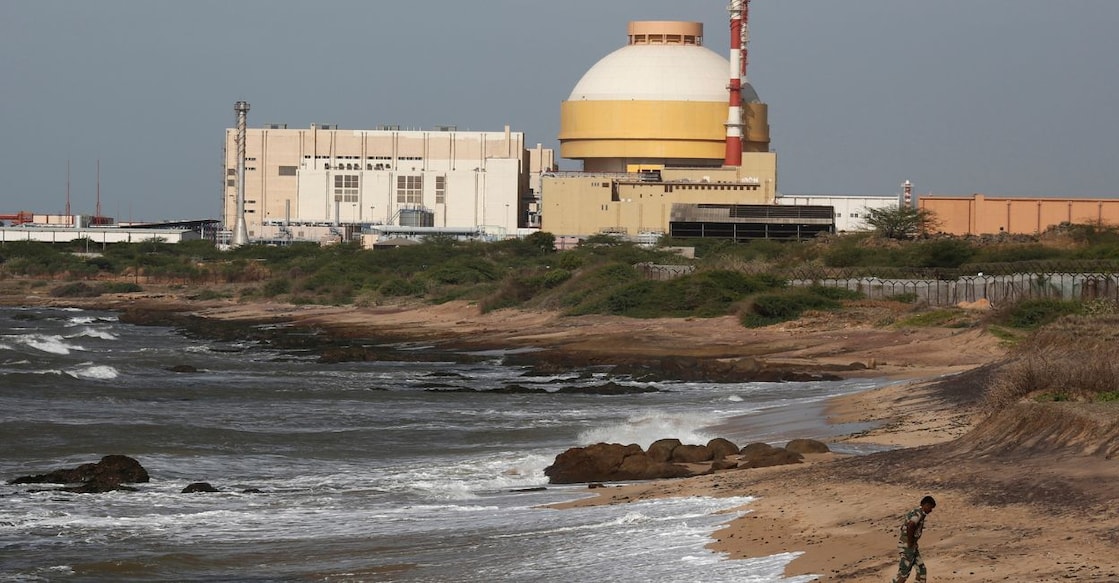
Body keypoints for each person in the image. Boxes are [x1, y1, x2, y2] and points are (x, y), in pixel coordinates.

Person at [891, 495, 936, 583]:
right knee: (903, 574)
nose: (931, 510)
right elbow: (911, 525)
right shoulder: (918, 513)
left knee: (921, 570)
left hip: (911, 546)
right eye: (930, 507)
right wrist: (910, 542)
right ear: (926, 505)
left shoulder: (917, 512)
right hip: (907, 546)